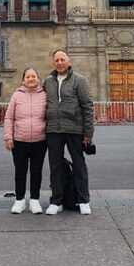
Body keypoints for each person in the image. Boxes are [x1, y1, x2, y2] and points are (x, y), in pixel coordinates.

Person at [43, 49, 94, 215]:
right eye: (56, 60)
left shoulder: (80, 80)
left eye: (62, 59)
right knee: (55, 166)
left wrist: (88, 133)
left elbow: (87, 107)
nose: (59, 62)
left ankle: (83, 200)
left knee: (79, 165)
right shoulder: (48, 81)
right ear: (53, 62)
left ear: (69, 62)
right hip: (53, 130)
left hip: (74, 129)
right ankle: (56, 201)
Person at [3, 67, 47, 214]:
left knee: (36, 171)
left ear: (38, 79)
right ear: (23, 80)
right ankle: (20, 200)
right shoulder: (16, 95)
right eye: (28, 76)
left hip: (40, 140)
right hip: (19, 140)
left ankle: (35, 200)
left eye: (34, 76)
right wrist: (8, 137)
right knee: (20, 172)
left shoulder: (45, 95)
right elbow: (9, 117)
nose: (31, 79)